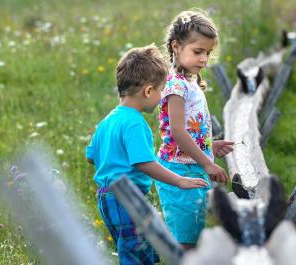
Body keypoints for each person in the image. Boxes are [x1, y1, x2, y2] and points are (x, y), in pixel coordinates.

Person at [86, 44, 208, 265]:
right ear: (149, 91)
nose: (162, 97)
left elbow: (91, 156)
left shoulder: (108, 120)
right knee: (136, 255)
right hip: (127, 198)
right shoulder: (134, 123)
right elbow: (144, 163)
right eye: (161, 91)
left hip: (105, 197)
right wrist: (179, 180)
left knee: (136, 249)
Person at [155, 10, 235, 249]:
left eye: (208, 53)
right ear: (176, 47)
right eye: (198, 51)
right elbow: (178, 132)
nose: (204, 59)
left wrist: (210, 144)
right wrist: (207, 162)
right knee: (185, 239)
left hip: (192, 164)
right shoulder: (175, 85)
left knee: (193, 230)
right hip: (180, 169)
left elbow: (190, 130)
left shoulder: (190, 81)